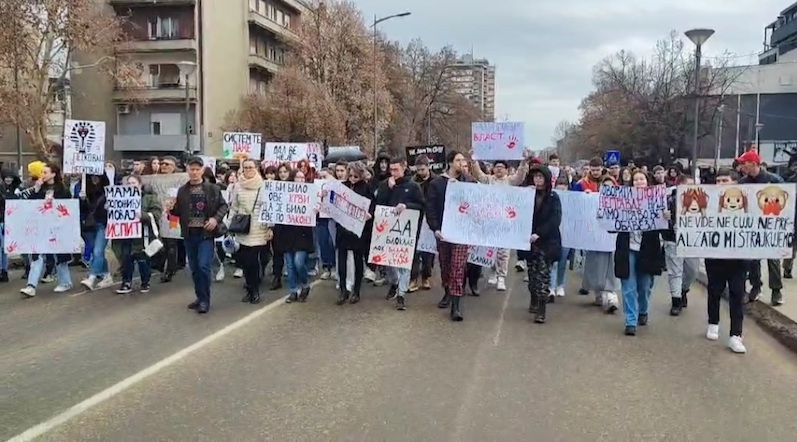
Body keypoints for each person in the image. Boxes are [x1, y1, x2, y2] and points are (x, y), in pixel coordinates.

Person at [171, 157, 229, 314]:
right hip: (189, 235)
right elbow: (177, 211)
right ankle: (199, 297)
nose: (195, 172)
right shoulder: (182, 190)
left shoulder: (212, 188)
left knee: (204, 266)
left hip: (205, 234)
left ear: (202, 170)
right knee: (195, 268)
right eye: (192, 169)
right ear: (188, 170)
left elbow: (224, 206)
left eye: (198, 169)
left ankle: (205, 300)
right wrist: (170, 208)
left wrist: (215, 219)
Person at [425, 150, 477, 321]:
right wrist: (435, 228)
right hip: (444, 232)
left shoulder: (468, 181)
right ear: (450, 163)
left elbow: (478, 200)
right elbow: (431, 207)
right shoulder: (437, 183)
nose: (462, 163)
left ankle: (456, 305)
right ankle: (447, 291)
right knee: (445, 265)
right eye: (458, 160)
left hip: (461, 232)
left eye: (463, 160)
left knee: (457, 266)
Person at [614, 170, 665, 336]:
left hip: (647, 249)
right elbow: (610, 223)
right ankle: (630, 320)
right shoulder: (623, 200)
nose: (638, 182)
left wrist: (666, 217)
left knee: (644, 286)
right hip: (627, 249)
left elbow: (665, 228)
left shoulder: (656, 200)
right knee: (628, 287)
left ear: (647, 181)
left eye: (641, 179)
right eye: (635, 179)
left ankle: (643, 310)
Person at [469, 151, 529, 291]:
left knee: (503, 251)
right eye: (497, 167)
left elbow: (520, 176)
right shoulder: (488, 180)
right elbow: (478, 174)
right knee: (490, 249)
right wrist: (474, 160)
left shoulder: (510, 181)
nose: (499, 169)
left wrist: (524, 162)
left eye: (502, 167)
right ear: (493, 168)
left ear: (506, 170)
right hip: (489, 220)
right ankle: (492, 271)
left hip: (505, 221)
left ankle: (501, 277)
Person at [705, 168, 747, 353]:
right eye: (719, 180)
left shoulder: (747, 203)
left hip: (738, 258)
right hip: (715, 256)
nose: (721, 183)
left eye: (725, 180)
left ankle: (736, 335)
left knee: (737, 294)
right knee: (714, 290)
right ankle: (713, 322)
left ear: (735, 182)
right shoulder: (709, 202)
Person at [374, 157, 424, 310]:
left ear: (404, 168)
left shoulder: (413, 186)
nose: (393, 173)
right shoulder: (385, 184)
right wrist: (387, 189)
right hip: (388, 230)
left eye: (396, 169)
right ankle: (394, 283)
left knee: (404, 263)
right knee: (389, 263)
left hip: (405, 233)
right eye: (391, 170)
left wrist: (407, 206)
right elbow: (378, 204)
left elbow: (422, 205)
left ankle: (401, 294)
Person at [736, 149, 784, 305]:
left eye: (744, 163)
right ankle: (756, 286)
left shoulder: (774, 180)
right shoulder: (743, 183)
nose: (741, 166)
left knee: (773, 259)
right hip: (752, 227)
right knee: (752, 260)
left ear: (753, 164)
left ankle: (776, 290)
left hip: (771, 226)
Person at [19, 163, 74, 297]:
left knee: (59, 255)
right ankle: (31, 286)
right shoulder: (39, 188)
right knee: (37, 254)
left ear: (53, 174)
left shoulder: (63, 189)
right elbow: (30, 205)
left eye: (45, 172)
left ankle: (65, 282)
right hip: (41, 226)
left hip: (57, 227)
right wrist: (36, 190)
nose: (42, 175)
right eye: (42, 172)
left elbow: (67, 207)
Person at [520, 164, 562, 323]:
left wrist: (540, 233)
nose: (537, 180)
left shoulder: (553, 197)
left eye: (540, 176)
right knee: (532, 274)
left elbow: (555, 220)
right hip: (529, 242)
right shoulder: (527, 195)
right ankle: (534, 298)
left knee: (543, 275)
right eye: (535, 176)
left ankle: (542, 309)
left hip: (546, 242)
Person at [228, 158, 272, 304]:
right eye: (245, 167)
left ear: (256, 168)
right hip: (242, 227)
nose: (248, 170)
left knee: (253, 261)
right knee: (244, 261)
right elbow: (234, 206)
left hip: (258, 228)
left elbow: (268, 208)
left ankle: (255, 290)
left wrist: (270, 227)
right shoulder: (237, 186)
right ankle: (249, 287)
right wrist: (230, 225)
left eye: (250, 167)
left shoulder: (263, 186)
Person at [333, 161, 373, 305]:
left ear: (361, 175)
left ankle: (356, 290)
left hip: (358, 230)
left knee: (357, 260)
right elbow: (334, 203)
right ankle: (343, 289)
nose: (352, 178)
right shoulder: (342, 186)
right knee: (342, 260)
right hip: (343, 229)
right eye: (350, 176)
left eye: (356, 176)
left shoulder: (367, 188)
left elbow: (372, 206)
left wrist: (369, 215)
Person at [115, 174, 163, 294]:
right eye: (128, 183)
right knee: (126, 258)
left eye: (133, 183)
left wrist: (143, 215)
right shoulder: (120, 198)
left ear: (140, 185)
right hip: (126, 234)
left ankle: (145, 282)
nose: (131, 186)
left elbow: (156, 213)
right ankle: (126, 283)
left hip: (143, 234)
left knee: (143, 259)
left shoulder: (149, 198)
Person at [661, 174, 698, 315]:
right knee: (675, 271)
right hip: (672, 239)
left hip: (692, 240)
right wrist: (665, 216)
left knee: (692, 270)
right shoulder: (669, 199)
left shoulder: (698, 200)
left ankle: (684, 290)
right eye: (688, 185)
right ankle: (676, 300)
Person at [283, 168, 316, 303]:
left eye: (303, 178)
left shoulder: (310, 193)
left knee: (298, 262)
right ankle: (293, 291)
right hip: (287, 233)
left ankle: (305, 284)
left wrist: (316, 210)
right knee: (290, 265)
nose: (300, 180)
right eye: (298, 177)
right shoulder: (285, 193)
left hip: (303, 234)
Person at [80, 173, 114, 290]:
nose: (94, 179)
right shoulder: (84, 190)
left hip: (103, 224)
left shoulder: (108, 192)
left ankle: (92, 277)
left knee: (97, 251)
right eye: (92, 176)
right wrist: (82, 199)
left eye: (97, 176)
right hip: (89, 226)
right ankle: (107, 276)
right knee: (98, 252)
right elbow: (80, 209)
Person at [410, 155, 437, 290]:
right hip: (417, 217)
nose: (420, 172)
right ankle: (413, 278)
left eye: (422, 169)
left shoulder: (436, 181)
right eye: (418, 170)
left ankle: (426, 277)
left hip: (431, 219)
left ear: (428, 167)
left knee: (428, 251)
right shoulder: (413, 181)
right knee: (414, 251)